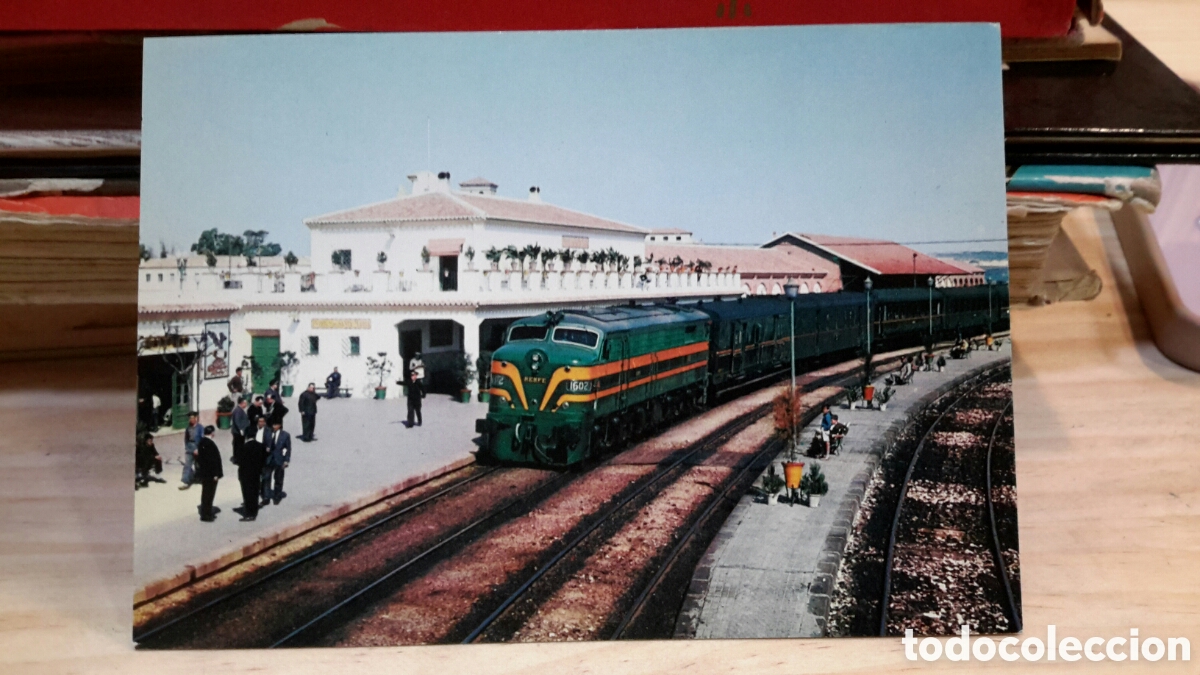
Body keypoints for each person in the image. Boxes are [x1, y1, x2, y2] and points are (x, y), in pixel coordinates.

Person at [235, 415, 269, 521]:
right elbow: (264, 459)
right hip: (256, 473)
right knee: (255, 493)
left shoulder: (243, 448)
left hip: (245, 475)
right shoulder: (260, 446)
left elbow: (238, 461)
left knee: (247, 494)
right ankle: (254, 512)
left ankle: (249, 513)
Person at [261, 412, 291, 506]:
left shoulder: (285, 435)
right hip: (268, 459)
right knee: (266, 478)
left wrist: (286, 460)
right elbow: (263, 444)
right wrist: (265, 449)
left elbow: (288, 449)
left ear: (280, 425)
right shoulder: (267, 432)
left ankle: (277, 497)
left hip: (279, 459)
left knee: (278, 479)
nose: (273, 426)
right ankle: (266, 497)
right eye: (273, 424)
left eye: (275, 425)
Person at [195, 425, 224, 522]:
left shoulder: (202, 442)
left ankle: (206, 512)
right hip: (210, 474)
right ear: (212, 433)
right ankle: (206, 514)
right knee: (209, 494)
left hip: (205, 473)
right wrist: (215, 474)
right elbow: (213, 461)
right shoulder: (210, 444)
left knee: (205, 493)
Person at [179, 412, 202, 490]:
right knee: (187, 465)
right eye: (190, 418)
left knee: (198, 465)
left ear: (196, 418)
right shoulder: (188, 428)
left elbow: (202, 439)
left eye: (192, 418)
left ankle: (200, 479)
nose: (191, 420)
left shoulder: (200, 428)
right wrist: (187, 447)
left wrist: (198, 449)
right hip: (190, 448)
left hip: (198, 447)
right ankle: (185, 481)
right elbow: (186, 439)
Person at [231, 397, 250, 463]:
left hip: (239, 432)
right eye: (245, 403)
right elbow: (237, 421)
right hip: (238, 432)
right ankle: (238, 459)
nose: (246, 404)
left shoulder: (239, 410)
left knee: (238, 445)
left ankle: (238, 458)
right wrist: (241, 429)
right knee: (238, 446)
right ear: (242, 403)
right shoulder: (238, 411)